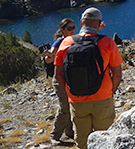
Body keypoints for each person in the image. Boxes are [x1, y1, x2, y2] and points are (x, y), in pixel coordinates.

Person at [54, 8, 123, 149]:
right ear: (98, 24)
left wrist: (69, 92)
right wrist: (111, 91)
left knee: (82, 141)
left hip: (76, 99)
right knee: (105, 139)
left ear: (81, 23)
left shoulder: (66, 42)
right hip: (102, 97)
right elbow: (117, 73)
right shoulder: (108, 42)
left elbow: (58, 74)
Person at [44, 18, 75, 142]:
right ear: (62, 30)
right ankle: (54, 136)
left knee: (71, 105)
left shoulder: (72, 40)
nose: (72, 30)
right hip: (60, 79)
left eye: (73, 28)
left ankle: (70, 132)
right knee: (65, 109)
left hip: (70, 78)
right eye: (69, 28)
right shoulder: (58, 42)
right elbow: (49, 58)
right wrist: (51, 56)